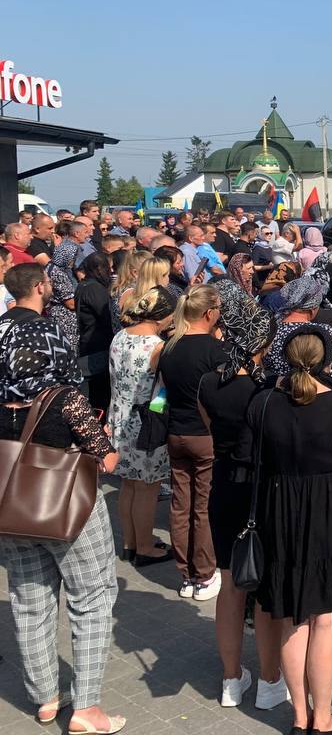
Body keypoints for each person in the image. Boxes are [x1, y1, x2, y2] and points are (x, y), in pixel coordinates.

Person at [0, 263, 126, 735]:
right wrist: (106, 447)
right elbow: (105, 458)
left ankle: (46, 699)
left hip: (10, 503)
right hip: (65, 503)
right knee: (91, 595)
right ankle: (87, 707)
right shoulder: (63, 397)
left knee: (29, 598)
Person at [252, 329, 332, 735]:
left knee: (293, 616)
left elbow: (249, 454)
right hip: (330, 506)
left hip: (281, 507)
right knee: (324, 619)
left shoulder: (266, 403)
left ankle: (300, 717)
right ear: (326, 360)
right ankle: (322, 718)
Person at [195, 282, 289, 710]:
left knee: (231, 585)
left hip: (224, 486)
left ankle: (231, 680)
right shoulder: (268, 390)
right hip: (261, 487)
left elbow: (209, 428)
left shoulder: (208, 384)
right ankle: (270, 681)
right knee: (264, 588)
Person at [158, 284, 229, 599]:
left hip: (176, 432)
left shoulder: (169, 347)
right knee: (202, 507)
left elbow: (162, 391)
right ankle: (204, 574)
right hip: (204, 434)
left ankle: (186, 575)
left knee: (180, 504)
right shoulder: (215, 351)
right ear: (210, 313)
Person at [108, 285, 177, 567]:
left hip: (119, 416)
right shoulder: (157, 347)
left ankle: (130, 543)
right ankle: (146, 547)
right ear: (164, 315)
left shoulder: (120, 336)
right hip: (145, 422)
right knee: (148, 488)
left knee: (128, 485)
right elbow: (163, 390)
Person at [265, 276, 332, 391]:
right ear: (312, 309)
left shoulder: (270, 330)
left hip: (280, 392)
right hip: (319, 393)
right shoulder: (321, 332)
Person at [75, 251, 116, 411]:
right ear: (99, 268)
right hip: (97, 343)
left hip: (90, 340)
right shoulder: (94, 288)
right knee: (99, 391)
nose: (111, 271)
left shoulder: (84, 285)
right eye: (108, 268)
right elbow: (106, 316)